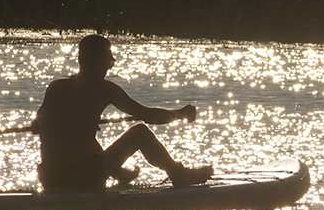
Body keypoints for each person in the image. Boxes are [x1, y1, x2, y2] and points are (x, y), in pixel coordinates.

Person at [31, 34, 214, 191]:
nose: (108, 68)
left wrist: (82, 124)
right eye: (109, 63)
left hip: (49, 180)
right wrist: (180, 114)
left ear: (80, 60)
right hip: (83, 179)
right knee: (140, 132)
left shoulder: (55, 87)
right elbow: (148, 115)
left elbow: (36, 126)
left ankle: (120, 174)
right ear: (103, 61)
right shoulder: (104, 88)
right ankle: (180, 175)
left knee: (82, 137)